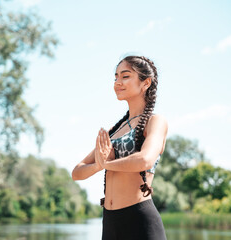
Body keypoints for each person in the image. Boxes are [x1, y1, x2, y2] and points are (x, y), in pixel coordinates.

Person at [72, 55, 168, 240]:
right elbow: (77, 173)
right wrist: (98, 165)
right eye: (115, 77)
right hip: (110, 223)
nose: (117, 82)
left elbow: (144, 159)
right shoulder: (113, 131)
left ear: (145, 82)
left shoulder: (155, 122)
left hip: (140, 221)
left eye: (125, 76)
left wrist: (107, 164)